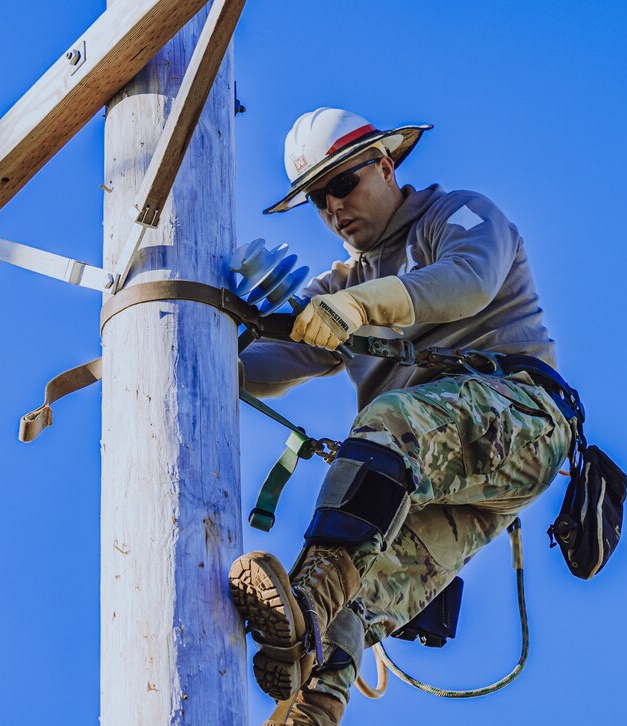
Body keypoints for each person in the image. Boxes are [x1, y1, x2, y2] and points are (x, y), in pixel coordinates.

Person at [230, 108, 572, 726]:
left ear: (385, 165)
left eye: (342, 184)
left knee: (390, 422)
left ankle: (305, 602)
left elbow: (468, 280)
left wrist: (359, 306)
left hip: (521, 422)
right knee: (351, 608)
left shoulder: (458, 217)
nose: (333, 207)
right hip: (424, 487)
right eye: (317, 198)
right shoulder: (340, 285)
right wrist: (179, 352)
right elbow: (281, 357)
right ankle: (309, 705)